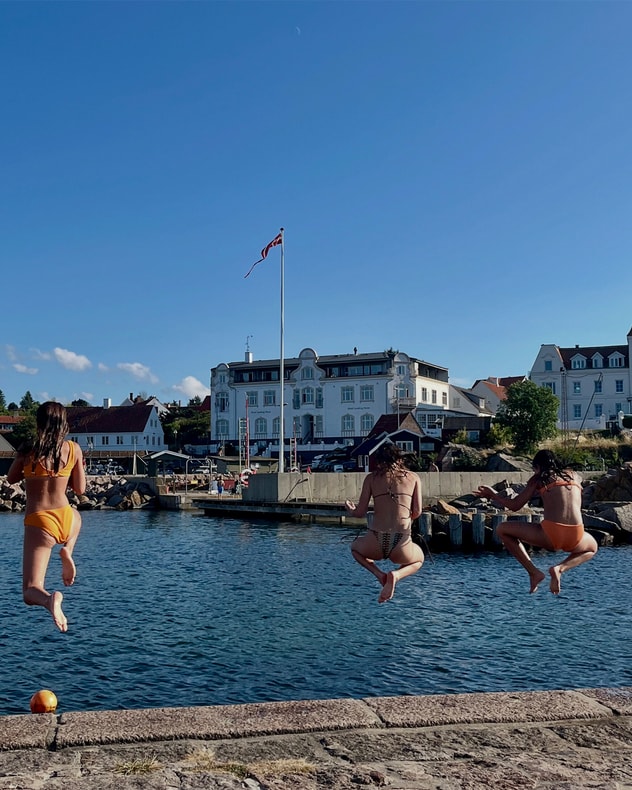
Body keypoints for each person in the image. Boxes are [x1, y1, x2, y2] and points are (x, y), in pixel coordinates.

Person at [7, 402, 86, 632]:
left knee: (30, 589)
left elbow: (11, 479)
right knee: (76, 513)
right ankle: (68, 550)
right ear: (64, 423)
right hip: (65, 517)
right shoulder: (73, 449)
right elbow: (80, 489)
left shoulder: (29, 448)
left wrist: (26, 464)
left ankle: (49, 600)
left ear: (38, 423)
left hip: (39, 520)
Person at [474, 449, 598, 595]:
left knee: (502, 529)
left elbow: (515, 506)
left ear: (538, 467)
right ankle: (560, 568)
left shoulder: (538, 479)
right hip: (576, 534)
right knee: (592, 547)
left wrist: (493, 495)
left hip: (552, 533)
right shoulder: (575, 476)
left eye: (534, 469)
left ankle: (534, 573)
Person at [345, 443, 424, 603]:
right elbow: (417, 512)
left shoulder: (371, 478)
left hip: (376, 540)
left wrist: (350, 509)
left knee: (355, 549)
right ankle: (396, 575)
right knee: (419, 559)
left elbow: (360, 513)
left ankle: (379, 574)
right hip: (401, 542)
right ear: (400, 459)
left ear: (379, 460)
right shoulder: (413, 477)